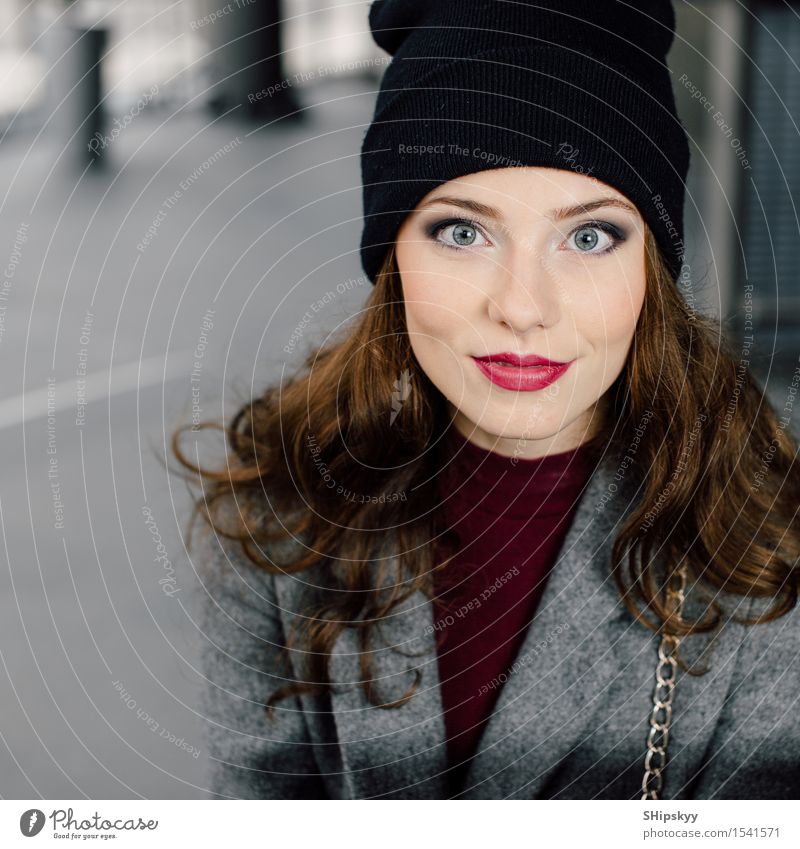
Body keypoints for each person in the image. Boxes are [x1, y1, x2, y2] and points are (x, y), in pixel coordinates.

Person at [173, 0, 800, 800]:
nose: (522, 306)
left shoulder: (766, 550)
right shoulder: (281, 512)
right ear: (393, 253)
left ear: (652, 267)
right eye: (464, 232)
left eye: (589, 237)